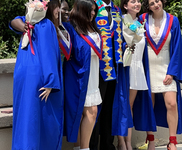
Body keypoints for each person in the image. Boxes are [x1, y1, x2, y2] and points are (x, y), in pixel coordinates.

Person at [133, 0, 182, 150]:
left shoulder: (172, 20)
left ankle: (172, 142)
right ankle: (150, 140)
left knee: (171, 103)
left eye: (157, 0)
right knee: (148, 105)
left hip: (166, 66)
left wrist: (172, 72)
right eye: (151, 3)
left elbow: (177, 47)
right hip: (148, 69)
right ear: (148, 6)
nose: (156, 4)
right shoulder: (142, 19)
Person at [9, 0, 64, 150]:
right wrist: (51, 81)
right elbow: (48, 55)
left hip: (23, 75)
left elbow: (14, 21)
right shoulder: (46, 25)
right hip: (40, 79)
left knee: (24, 118)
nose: (59, 10)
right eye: (58, 6)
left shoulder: (26, 23)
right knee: (39, 122)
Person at [89, 0, 134, 150]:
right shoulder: (93, 5)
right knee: (95, 107)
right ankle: (93, 145)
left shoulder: (116, 10)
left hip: (114, 67)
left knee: (110, 107)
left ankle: (107, 145)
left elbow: (118, 36)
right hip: (97, 66)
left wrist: (126, 46)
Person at [62, 0, 103, 150]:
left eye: (94, 10)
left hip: (92, 75)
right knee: (86, 113)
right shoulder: (70, 28)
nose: (93, 13)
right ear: (81, 10)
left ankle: (80, 148)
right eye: (90, 10)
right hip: (78, 76)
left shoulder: (92, 26)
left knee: (88, 113)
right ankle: (83, 148)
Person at [118, 0, 148, 150]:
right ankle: (122, 142)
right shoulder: (121, 21)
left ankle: (127, 142)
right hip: (125, 67)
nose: (137, 4)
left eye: (138, 1)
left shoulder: (141, 22)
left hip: (137, 67)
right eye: (132, 1)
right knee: (122, 105)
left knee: (129, 106)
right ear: (125, 5)